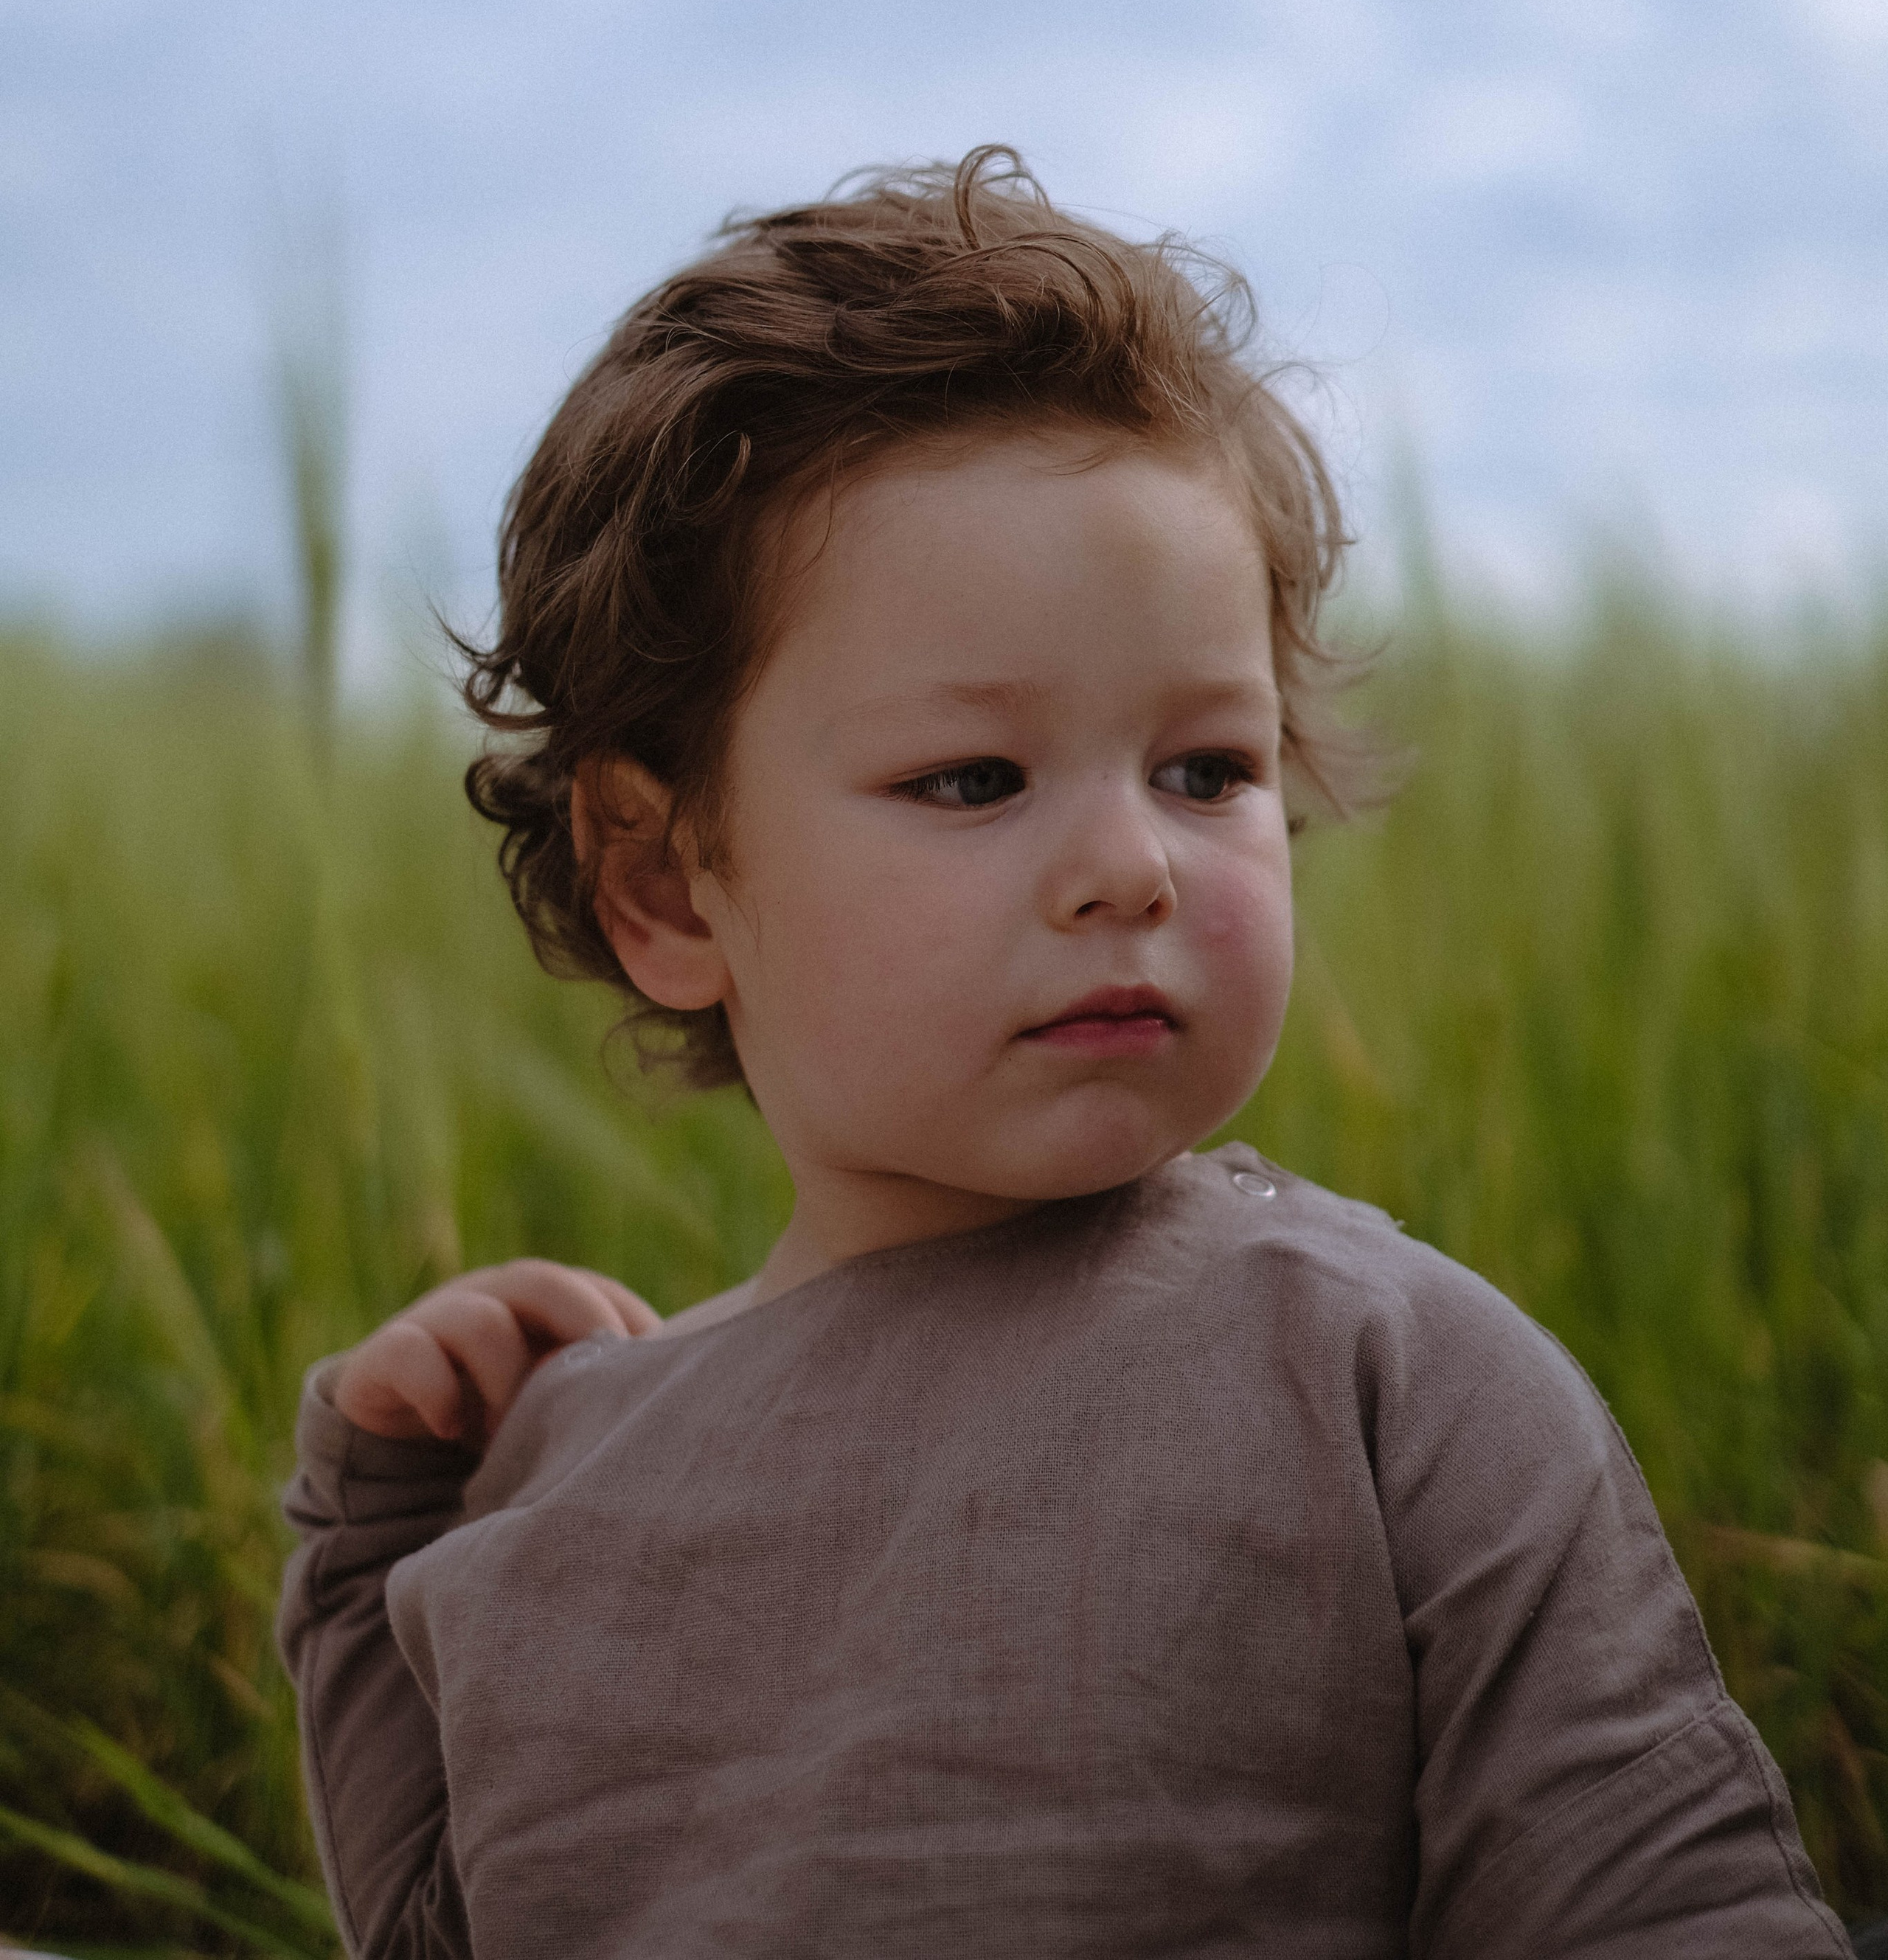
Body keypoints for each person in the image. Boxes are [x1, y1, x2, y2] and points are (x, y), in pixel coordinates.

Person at [277, 148, 1849, 1958]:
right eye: (972, 781)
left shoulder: (1380, 1367)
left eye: (1206, 770)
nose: (1130, 867)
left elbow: (1660, 1908)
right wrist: (376, 1520)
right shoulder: (566, 1452)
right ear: (663, 881)